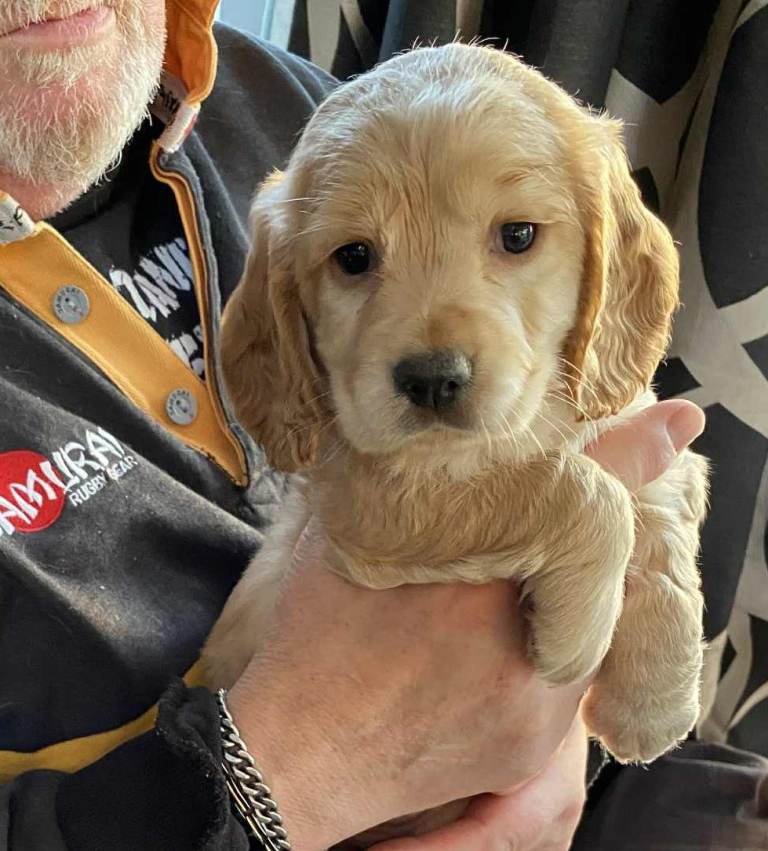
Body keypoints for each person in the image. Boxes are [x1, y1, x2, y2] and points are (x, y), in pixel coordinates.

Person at [0, 2, 730, 849]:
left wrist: (559, 766)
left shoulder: (291, 103)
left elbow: (623, 450)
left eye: (517, 235)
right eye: (355, 260)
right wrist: (291, 771)